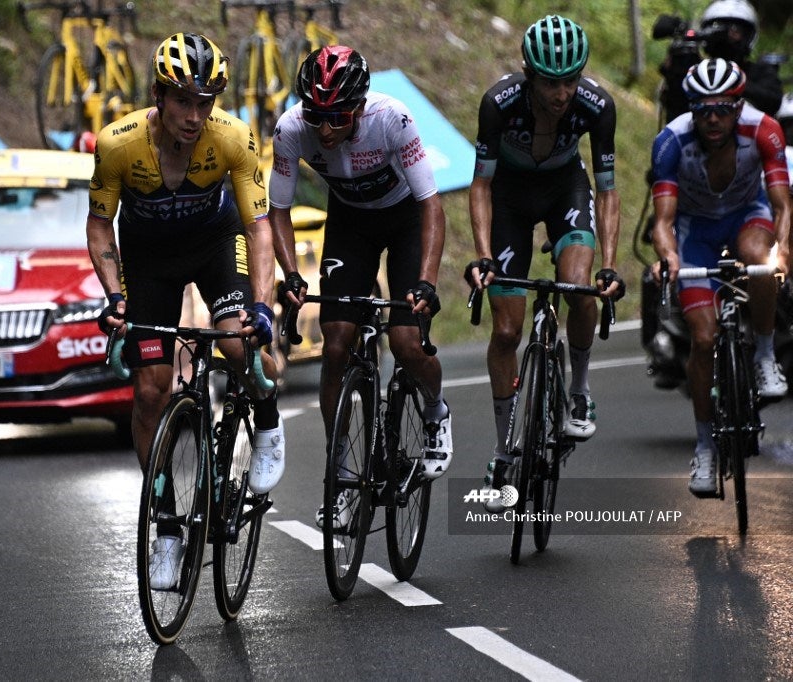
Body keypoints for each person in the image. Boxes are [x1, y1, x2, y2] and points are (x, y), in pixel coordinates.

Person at [87, 33, 285, 588]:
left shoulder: (233, 138)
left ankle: (266, 415)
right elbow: (100, 225)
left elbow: (258, 227)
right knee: (151, 391)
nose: (195, 116)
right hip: (150, 261)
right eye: (183, 101)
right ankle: (168, 530)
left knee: (236, 343)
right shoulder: (117, 145)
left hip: (215, 245)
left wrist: (262, 307)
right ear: (158, 96)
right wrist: (115, 297)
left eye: (205, 102)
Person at [268, 45, 452, 526]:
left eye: (338, 117)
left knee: (407, 341)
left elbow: (431, 206)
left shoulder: (392, 120)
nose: (325, 130)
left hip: (405, 220)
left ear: (360, 106)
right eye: (316, 116)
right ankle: (340, 472)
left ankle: (435, 409)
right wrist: (291, 273)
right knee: (335, 345)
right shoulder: (291, 129)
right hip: (350, 224)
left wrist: (426, 282)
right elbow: (278, 210)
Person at [464, 15, 624, 504]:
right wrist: (484, 256)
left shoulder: (598, 107)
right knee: (506, 331)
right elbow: (481, 185)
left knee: (580, 287)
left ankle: (579, 390)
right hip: (509, 197)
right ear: (529, 75)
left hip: (564, 190)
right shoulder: (499, 103)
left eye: (571, 80)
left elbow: (608, 191)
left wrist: (610, 264)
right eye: (551, 83)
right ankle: (503, 450)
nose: (562, 93)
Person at [649, 58, 790, 496]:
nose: (713, 119)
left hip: (748, 216)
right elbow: (662, 221)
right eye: (703, 109)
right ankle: (705, 447)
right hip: (695, 232)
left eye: (723, 109)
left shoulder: (764, 130)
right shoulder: (671, 141)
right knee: (703, 338)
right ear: (691, 109)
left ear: (738, 106)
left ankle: (765, 355)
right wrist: (669, 256)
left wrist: (784, 249)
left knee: (760, 259)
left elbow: (783, 205)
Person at [657, 0, 783, 124]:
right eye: (718, 28)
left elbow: (773, 101)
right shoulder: (695, 70)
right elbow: (676, 104)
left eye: (735, 30)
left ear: (748, 35)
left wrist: (732, 81)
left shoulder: (759, 72)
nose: (726, 36)